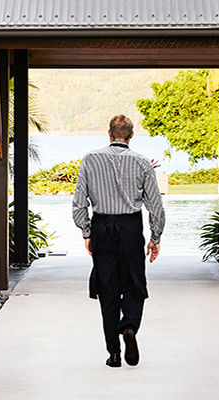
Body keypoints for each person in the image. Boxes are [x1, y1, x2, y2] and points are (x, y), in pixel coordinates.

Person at [72, 114, 165, 368]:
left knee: (108, 291)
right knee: (134, 284)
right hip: (131, 228)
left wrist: (87, 232)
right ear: (131, 135)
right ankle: (129, 327)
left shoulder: (91, 159)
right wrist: (155, 237)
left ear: (109, 134)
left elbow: (80, 201)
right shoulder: (143, 162)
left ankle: (113, 354)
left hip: (102, 226)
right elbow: (155, 206)